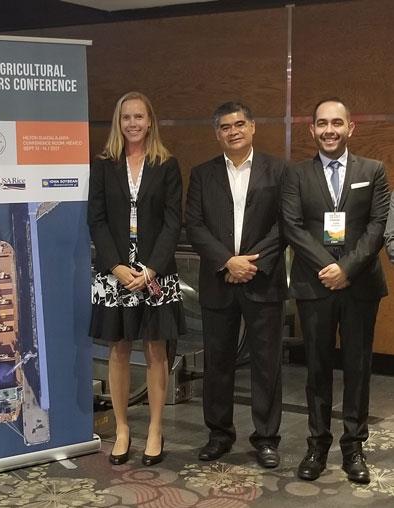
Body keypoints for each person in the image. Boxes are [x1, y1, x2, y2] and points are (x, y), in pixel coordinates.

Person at [282, 98, 388, 484]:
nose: (329, 130)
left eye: (337, 123)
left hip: (360, 285)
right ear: (311, 129)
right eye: (322, 123)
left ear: (350, 128)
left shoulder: (373, 170)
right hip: (315, 285)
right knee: (317, 367)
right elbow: (292, 225)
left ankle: (354, 446)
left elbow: (377, 224)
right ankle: (317, 444)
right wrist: (326, 267)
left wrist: (346, 268)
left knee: (358, 368)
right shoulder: (296, 175)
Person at [186, 101, 288, 468]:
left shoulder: (278, 170)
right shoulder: (202, 174)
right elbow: (194, 225)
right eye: (225, 126)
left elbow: (285, 224)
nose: (234, 131)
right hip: (218, 279)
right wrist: (227, 261)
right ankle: (219, 434)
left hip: (263, 279)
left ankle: (266, 438)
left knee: (266, 363)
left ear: (253, 127)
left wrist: (250, 264)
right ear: (217, 133)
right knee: (218, 362)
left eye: (240, 123)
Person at [88, 91, 184, 467]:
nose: (133, 123)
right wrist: (116, 267)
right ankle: (124, 429)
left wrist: (151, 270)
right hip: (115, 274)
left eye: (139, 117)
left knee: (156, 350)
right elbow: (95, 220)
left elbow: (174, 222)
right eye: (126, 117)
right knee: (119, 349)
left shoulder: (167, 164)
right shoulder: (103, 164)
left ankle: (156, 429)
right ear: (118, 121)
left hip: (155, 274)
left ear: (150, 121)